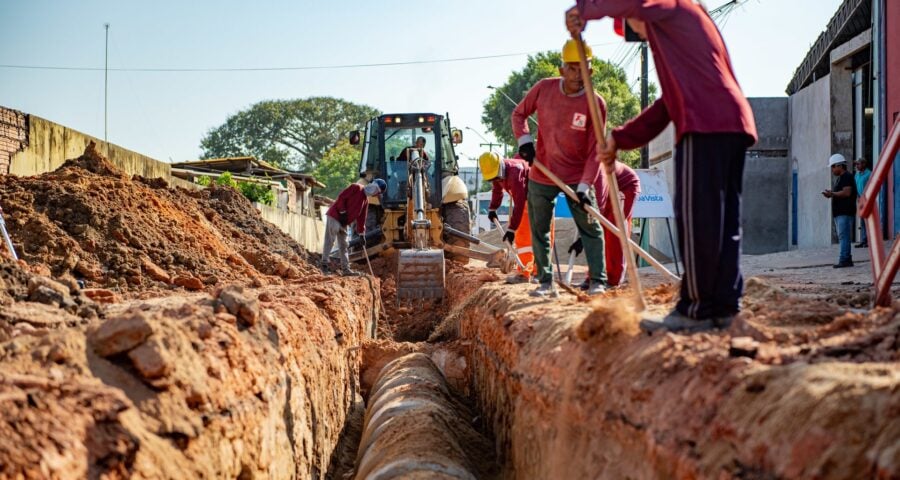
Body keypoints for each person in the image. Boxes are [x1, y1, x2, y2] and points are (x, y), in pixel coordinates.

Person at [566, 0, 758, 332]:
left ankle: (696, 310)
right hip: (731, 122)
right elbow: (666, 105)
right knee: (723, 223)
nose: (641, 34)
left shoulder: (673, 7)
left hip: (704, 124)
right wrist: (619, 139)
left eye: (632, 25)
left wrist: (585, 9)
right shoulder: (684, 34)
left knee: (699, 220)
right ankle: (723, 306)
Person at [511, 39, 609, 297]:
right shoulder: (544, 89)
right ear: (562, 69)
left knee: (591, 227)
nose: (580, 75)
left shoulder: (595, 103)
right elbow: (518, 114)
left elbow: (595, 149)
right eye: (574, 68)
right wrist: (525, 142)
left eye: (585, 68)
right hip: (542, 173)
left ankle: (598, 281)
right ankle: (545, 282)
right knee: (539, 230)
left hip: (577, 178)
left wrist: (586, 186)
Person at [569, 160, 639, 288]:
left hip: (624, 188)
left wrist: (583, 238)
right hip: (608, 191)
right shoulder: (575, 169)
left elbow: (598, 208)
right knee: (598, 234)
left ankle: (613, 280)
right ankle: (594, 276)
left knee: (614, 232)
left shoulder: (597, 168)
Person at [479, 151, 536, 282]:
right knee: (531, 238)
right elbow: (497, 190)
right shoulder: (497, 173)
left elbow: (520, 203)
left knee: (526, 238)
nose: (496, 180)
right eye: (492, 179)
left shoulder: (515, 172)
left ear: (501, 165)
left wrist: (511, 230)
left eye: (496, 177)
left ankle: (525, 273)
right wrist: (493, 208)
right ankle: (534, 271)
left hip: (535, 199)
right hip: (530, 200)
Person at [321, 179, 386, 275]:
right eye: (375, 189)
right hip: (335, 216)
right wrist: (342, 212)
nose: (374, 192)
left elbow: (361, 219)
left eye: (377, 192)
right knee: (330, 239)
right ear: (372, 184)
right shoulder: (356, 187)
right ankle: (324, 264)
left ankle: (346, 269)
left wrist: (361, 234)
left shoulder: (366, 202)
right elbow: (341, 197)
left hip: (344, 222)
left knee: (344, 245)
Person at [823, 154, 856, 268]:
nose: (832, 170)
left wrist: (832, 194)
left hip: (845, 212)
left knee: (844, 236)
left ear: (839, 166)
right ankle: (846, 258)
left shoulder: (847, 176)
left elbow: (847, 192)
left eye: (833, 167)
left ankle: (845, 259)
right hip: (840, 213)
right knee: (842, 236)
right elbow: (840, 192)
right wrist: (832, 193)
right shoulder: (840, 178)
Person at [854, 157, 871, 248]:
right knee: (862, 221)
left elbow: (871, 186)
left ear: (864, 164)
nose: (857, 166)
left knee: (868, 221)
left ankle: (869, 241)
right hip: (860, 199)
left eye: (858, 164)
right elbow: (855, 186)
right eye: (856, 164)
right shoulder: (857, 175)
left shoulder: (869, 174)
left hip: (867, 199)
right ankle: (863, 240)